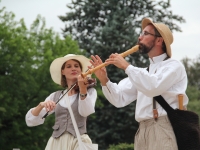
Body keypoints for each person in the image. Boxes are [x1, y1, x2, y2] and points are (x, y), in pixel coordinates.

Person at [90, 18, 188, 150]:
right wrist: (104, 80)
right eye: (141, 33)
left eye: (145, 33)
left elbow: (153, 87)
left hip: (164, 127)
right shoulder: (142, 73)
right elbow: (119, 99)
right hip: (142, 130)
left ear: (159, 40)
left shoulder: (174, 66)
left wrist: (126, 66)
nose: (139, 37)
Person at [25, 54, 97, 150]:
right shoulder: (55, 96)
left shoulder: (90, 91)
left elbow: (86, 111)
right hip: (57, 143)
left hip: (79, 141)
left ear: (81, 70)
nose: (73, 68)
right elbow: (31, 121)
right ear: (62, 71)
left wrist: (83, 90)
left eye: (76, 66)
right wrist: (41, 105)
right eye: (69, 66)